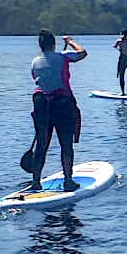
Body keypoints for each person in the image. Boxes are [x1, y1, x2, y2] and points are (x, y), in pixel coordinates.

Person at [29, 29, 87, 192]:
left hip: (41, 104)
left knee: (42, 143)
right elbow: (82, 53)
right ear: (53, 44)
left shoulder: (35, 61)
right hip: (62, 103)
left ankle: (35, 181)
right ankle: (68, 181)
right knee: (66, 144)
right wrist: (70, 41)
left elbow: (36, 78)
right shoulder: (62, 56)